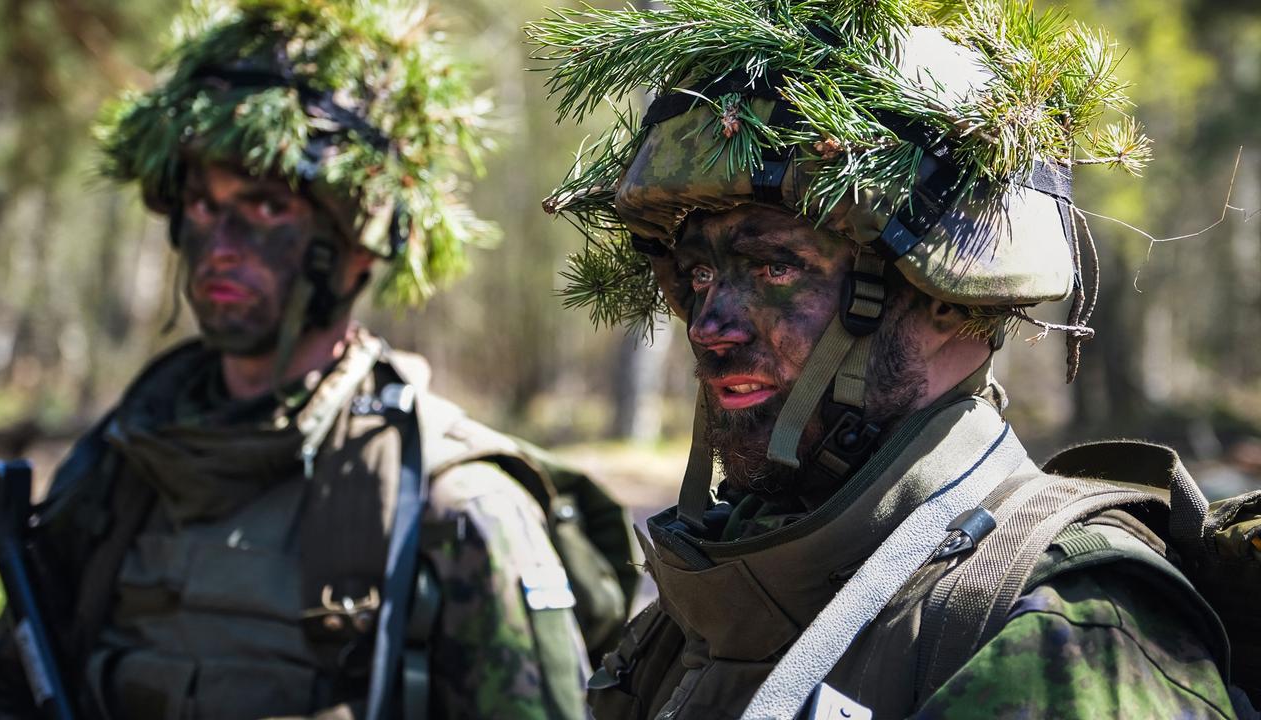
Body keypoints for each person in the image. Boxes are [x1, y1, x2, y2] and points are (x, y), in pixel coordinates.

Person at [530, 1, 1251, 718]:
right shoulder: (703, 605)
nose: (709, 327)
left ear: (944, 299)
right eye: (701, 277)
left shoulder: (1056, 631)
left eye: (774, 271)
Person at [0, 2, 636, 718]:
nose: (221, 243)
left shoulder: (453, 504)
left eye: (265, 208)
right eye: (201, 206)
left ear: (357, 244)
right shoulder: (122, 464)